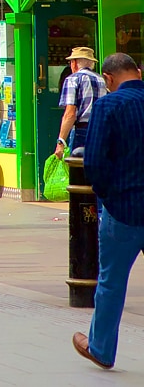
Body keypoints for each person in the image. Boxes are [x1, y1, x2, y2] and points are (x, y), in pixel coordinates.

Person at [73, 53, 144, 370]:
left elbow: (95, 162)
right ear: (138, 73)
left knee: (111, 283)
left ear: (109, 79)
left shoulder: (108, 106)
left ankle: (101, 348)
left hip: (123, 208)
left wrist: (107, 197)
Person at [56, 46, 105, 158]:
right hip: (101, 129)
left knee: (78, 170)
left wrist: (61, 142)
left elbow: (70, 114)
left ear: (74, 63)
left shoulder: (73, 79)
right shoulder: (101, 79)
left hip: (82, 130)